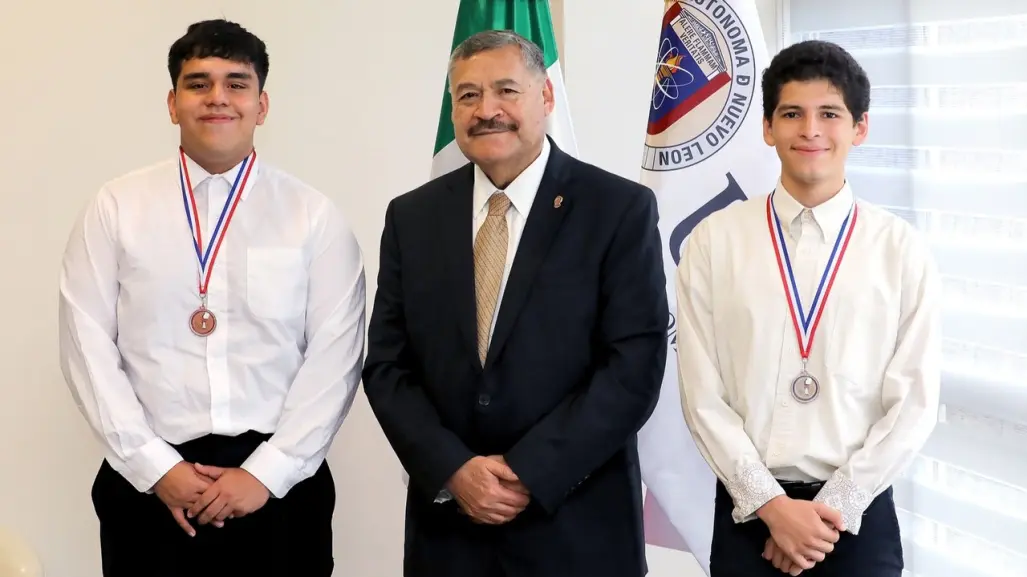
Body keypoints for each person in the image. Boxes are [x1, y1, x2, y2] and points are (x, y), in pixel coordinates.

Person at [57, 19, 365, 577]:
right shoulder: (115, 207)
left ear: (262, 104)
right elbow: (85, 345)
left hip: (278, 489)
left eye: (236, 83)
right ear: (172, 103)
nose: (217, 97)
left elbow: (336, 358)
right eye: (198, 83)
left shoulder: (312, 215)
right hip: (149, 487)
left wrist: (267, 472)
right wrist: (155, 467)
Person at [362, 29, 668, 577]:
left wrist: (527, 471)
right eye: (468, 96)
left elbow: (633, 368)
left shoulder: (617, 209)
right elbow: (388, 366)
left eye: (507, 90)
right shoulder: (412, 217)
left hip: (577, 529)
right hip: (450, 535)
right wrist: (454, 469)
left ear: (545, 97)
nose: (488, 111)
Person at [675, 39, 941, 577]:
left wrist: (830, 512)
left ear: (859, 128)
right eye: (792, 113)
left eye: (830, 114)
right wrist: (774, 510)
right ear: (768, 128)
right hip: (748, 515)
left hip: (857, 518)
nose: (811, 130)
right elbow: (702, 395)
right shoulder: (713, 241)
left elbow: (914, 403)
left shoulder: (900, 248)